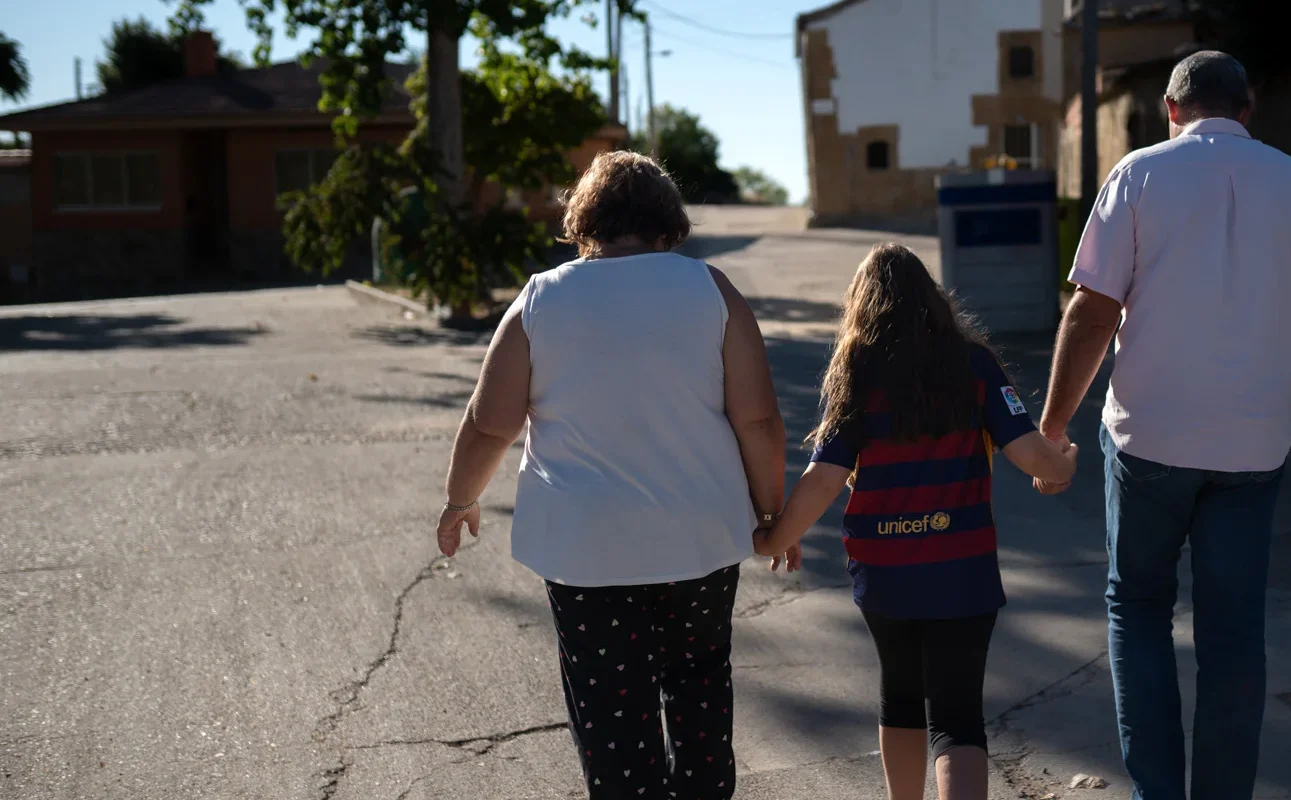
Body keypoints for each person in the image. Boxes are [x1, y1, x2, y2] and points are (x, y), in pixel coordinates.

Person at [1035, 51, 1291, 800]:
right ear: (1246, 111)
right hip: (1251, 450)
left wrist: (1051, 427)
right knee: (1233, 637)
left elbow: (1091, 312)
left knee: (1139, 610)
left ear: (1171, 109)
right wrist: (1279, 397)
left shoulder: (1138, 175)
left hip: (1149, 439)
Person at [433, 151, 788, 800]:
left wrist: (461, 498)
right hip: (700, 541)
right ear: (666, 224)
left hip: (585, 553)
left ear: (584, 222)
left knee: (612, 715)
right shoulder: (711, 290)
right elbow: (758, 420)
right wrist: (773, 513)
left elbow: (490, 425)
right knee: (699, 686)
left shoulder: (541, 297)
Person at [753, 243, 1077, 800]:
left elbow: (826, 476)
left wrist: (775, 536)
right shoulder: (973, 364)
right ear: (933, 299)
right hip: (963, 566)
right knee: (957, 716)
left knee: (900, 696)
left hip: (885, 569)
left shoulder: (856, 372)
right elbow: (1029, 452)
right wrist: (1062, 469)